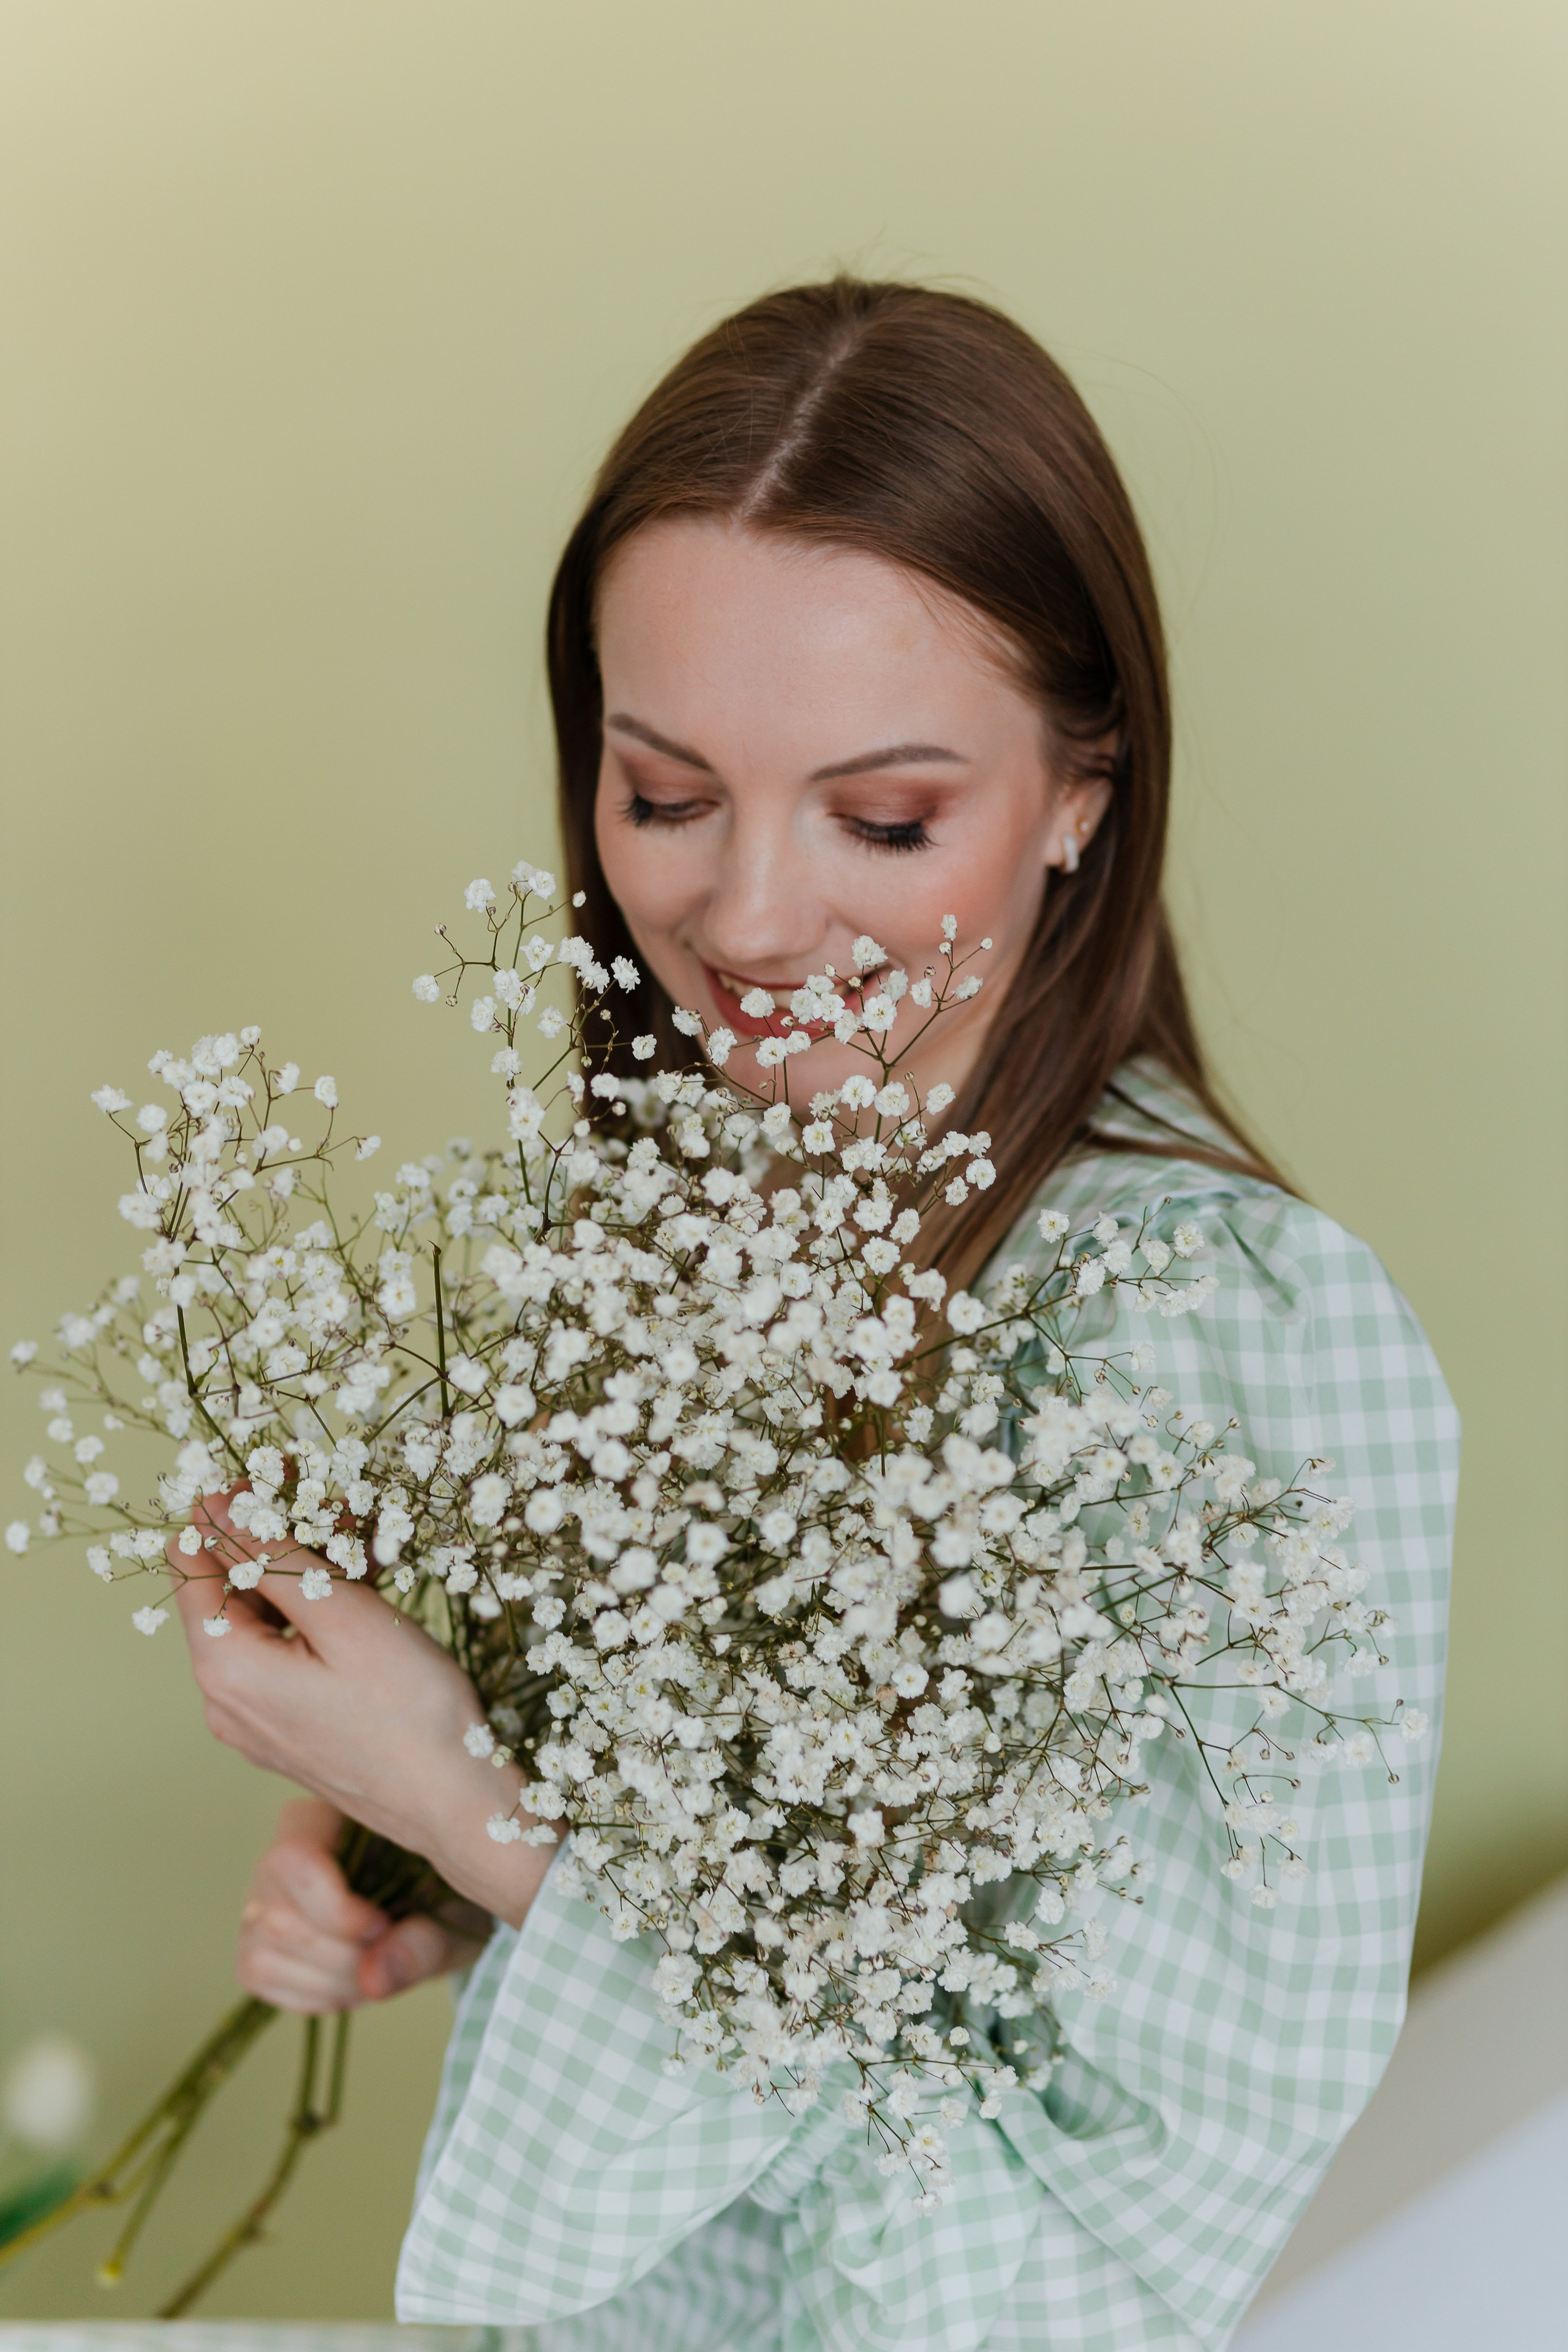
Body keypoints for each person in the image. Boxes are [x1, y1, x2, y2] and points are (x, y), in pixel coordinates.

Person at [170, 279, 1457, 2350]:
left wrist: (478, 1822)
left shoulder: (1237, 1348)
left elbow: (1089, 2258)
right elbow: (779, 1925)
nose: (748, 920)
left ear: (1083, 789)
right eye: (665, 795)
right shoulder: (698, 1194)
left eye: (882, 819)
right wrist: (413, 1861)